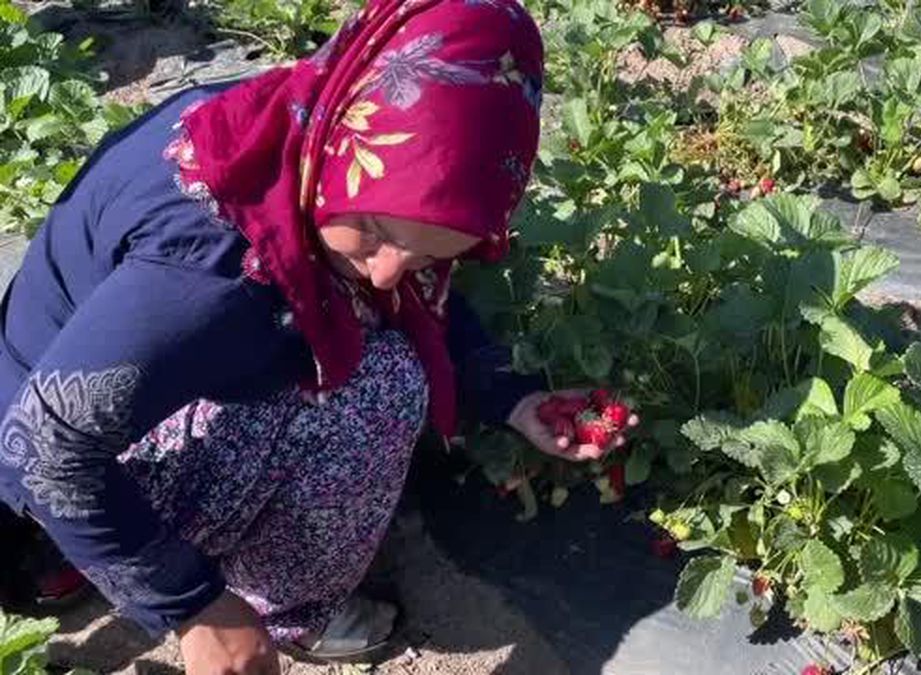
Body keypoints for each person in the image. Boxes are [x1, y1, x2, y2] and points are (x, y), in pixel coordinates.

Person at [0, 1, 621, 672]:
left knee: (369, 337)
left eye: (426, 252)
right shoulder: (215, 270)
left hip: (104, 394)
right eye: (376, 232)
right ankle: (271, 605)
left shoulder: (314, 122)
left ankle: (102, 551)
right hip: (47, 454)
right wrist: (198, 608)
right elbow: (45, 445)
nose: (387, 272)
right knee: (381, 388)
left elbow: (410, 284)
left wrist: (511, 398)